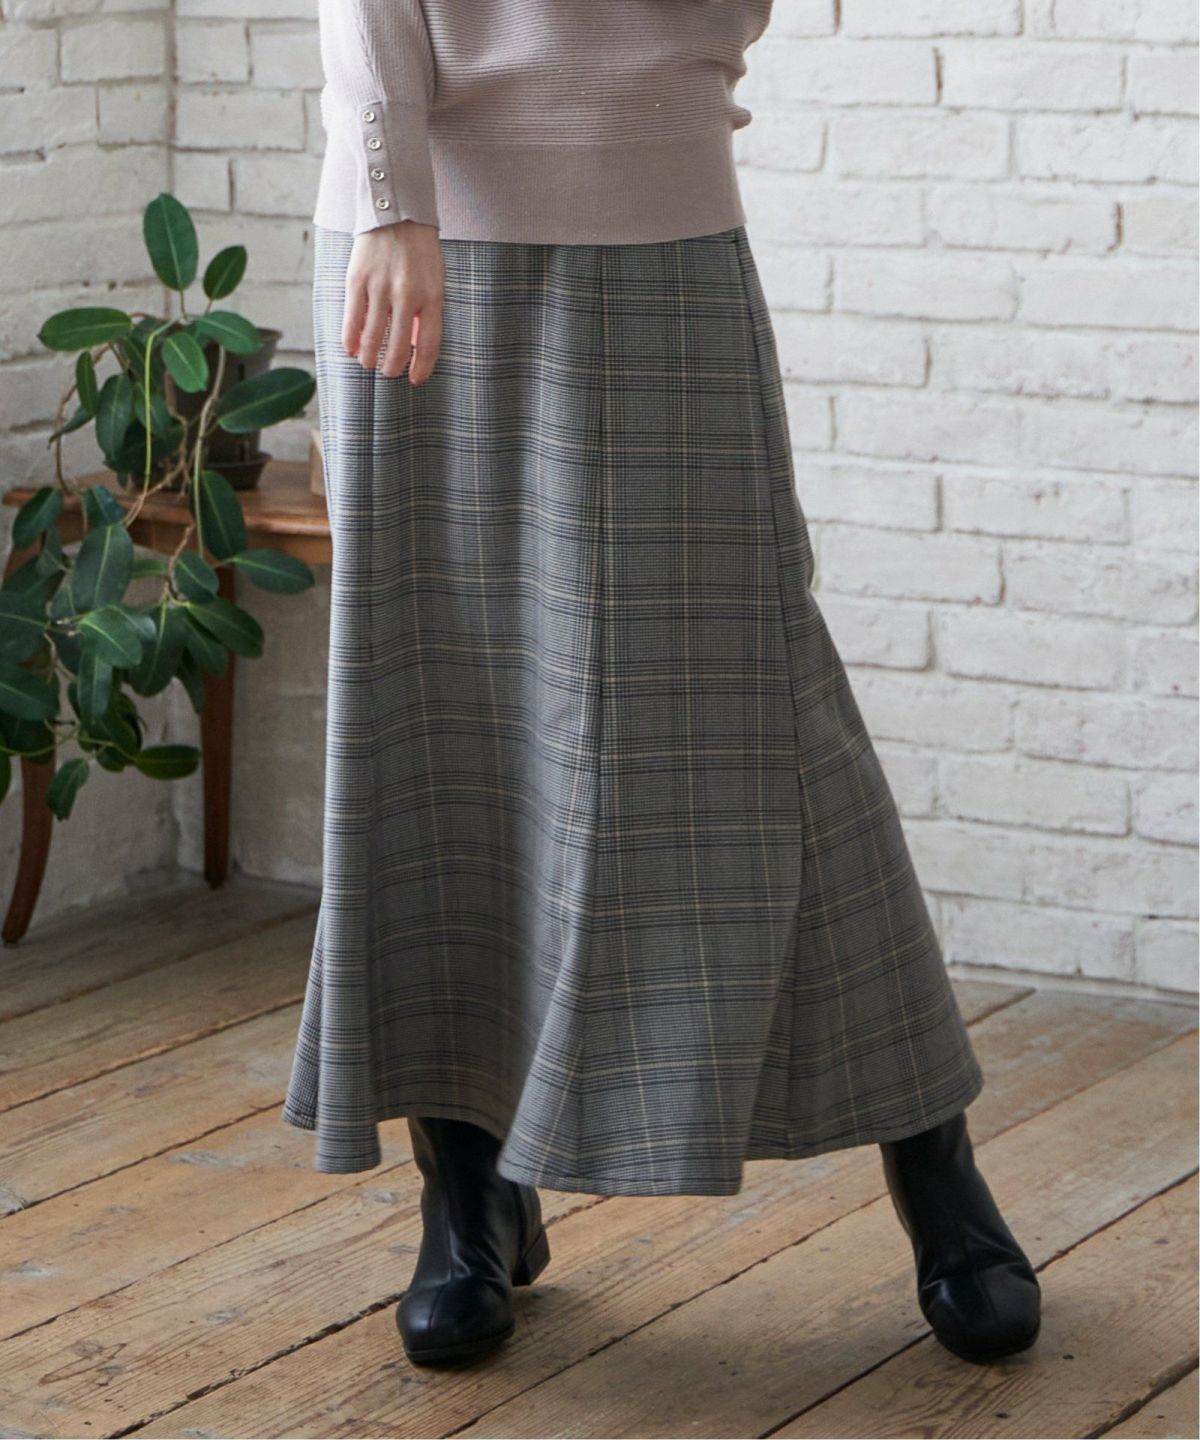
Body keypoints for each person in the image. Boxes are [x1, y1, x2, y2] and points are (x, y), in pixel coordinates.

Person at [282, 0, 1041, 1371]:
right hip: (404, 244)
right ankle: (468, 1195)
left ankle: (937, 1165)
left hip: (661, 221)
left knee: (762, 717)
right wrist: (393, 193)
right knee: (441, 712)